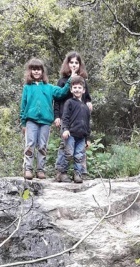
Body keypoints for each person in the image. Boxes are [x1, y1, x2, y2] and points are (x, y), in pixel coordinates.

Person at [20, 58, 71, 180]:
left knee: (42, 145)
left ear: (42, 72)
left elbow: (62, 93)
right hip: (31, 120)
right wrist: (23, 122)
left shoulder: (49, 87)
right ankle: (28, 169)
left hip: (45, 121)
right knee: (30, 144)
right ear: (30, 71)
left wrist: (70, 80)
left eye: (39, 69)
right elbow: (23, 105)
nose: (36, 72)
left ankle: (40, 170)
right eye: (34, 69)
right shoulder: (27, 87)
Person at [54, 52, 92, 182]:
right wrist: (57, 116)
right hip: (67, 121)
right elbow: (57, 99)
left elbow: (87, 97)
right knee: (65, 147)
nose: (74, 65)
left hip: (80, 120)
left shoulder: (83, 82)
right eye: (71, 62)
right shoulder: (63, 81)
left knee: (80, 150)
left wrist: (89, 103)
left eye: (76, 62)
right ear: (67, 64)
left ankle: (80, 172)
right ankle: (61, 172)